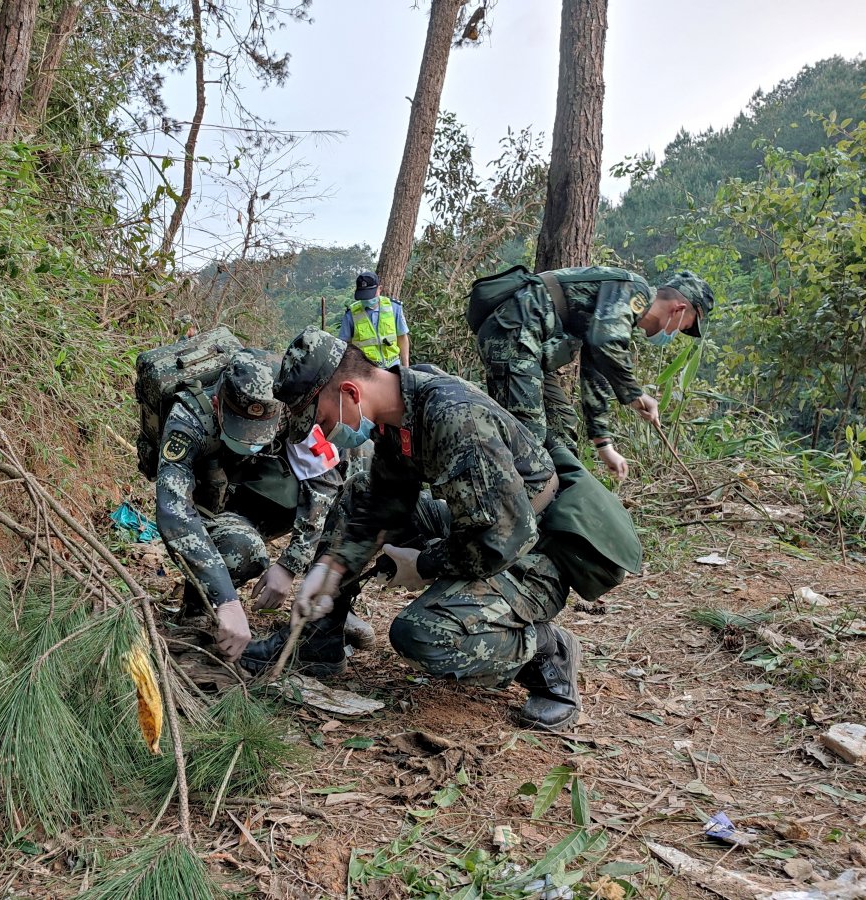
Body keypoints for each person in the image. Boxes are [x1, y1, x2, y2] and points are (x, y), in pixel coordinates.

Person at [244, 328, 641, 732]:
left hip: (535, 553)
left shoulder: (453, 417)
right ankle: (318, 642)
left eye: (322, 419)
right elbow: (384, 501)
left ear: (350, 393)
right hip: (483, 525)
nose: (325, 433)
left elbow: (501, 540)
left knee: (423, 635)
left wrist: (424, 563)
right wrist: (332, 569)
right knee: (357, 495)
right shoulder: (398, 411)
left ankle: (547, 652)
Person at [154, 348, 371, 662]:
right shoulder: (188, 420)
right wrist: (226, 600)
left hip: (261, 495)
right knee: (242, 549)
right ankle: (199, 606)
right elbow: (174, 512)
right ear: (217, 406)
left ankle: (325, 616)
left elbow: (323, 483)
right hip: (213, 507)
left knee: (353, 488)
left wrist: (289, 566)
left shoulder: (290, 406)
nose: (251, 442)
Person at [470, 267, 714, 480]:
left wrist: (604, 444)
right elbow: (604, 342)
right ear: (679, 309)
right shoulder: (634, 290)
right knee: (528, 438)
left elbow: (595, 370)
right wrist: (636, 395)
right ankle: (507, 513)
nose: (678, 332)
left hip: (529, 344)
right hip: (513, 333)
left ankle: (560, 505)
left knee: (563, 427)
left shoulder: (620, 314)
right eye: (686, 326)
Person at [339, 271, 411, 370]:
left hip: (393, 366)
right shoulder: (351, 314)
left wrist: (406, 366)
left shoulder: (394, 308)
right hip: (365, 370)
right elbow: (344, 344)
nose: (367, 299)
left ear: (379, 289)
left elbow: (402, 337)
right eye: (364, 296)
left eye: (370, 294)